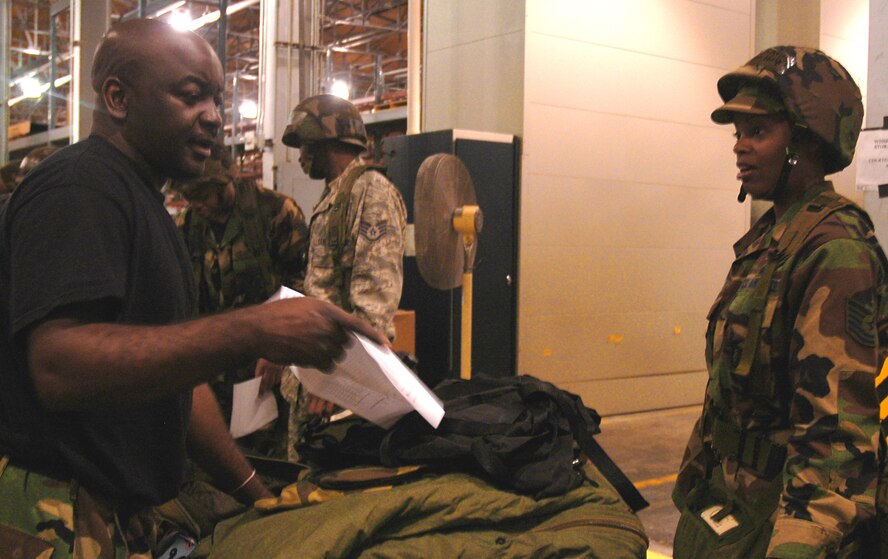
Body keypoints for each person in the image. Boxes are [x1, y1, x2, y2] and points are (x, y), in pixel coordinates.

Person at [0, 19, 385, 558]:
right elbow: (59, 365)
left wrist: (255, 494)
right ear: (117, 97)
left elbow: (177, 383)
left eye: (217, 99)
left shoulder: (144, 205)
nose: (213, 116)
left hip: (122, 512)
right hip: (58, 516)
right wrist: (252, 329)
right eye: (190, 96)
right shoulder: (79, 190)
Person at [672, 46, 886, 559]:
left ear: (806, 141)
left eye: (759, 132)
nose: (740, 148)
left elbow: (835, 439)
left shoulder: (836, 252)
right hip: (732, 510)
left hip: (783, 523)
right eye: (738, 134)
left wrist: (798, 545)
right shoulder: (772, 242)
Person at [279, 94, 407, 459]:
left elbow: (374, 303)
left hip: (340, 385)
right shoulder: (337, 196)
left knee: (329, 488)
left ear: (326, 141)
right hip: (316, 374)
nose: (300, 154)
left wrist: (336, 379)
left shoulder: (371, 194)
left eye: (304, 144)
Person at [172, 143, 309, 457]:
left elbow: (302, 282)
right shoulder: (187, 225)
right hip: (212, 364)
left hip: (265, 367)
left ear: (225, 185)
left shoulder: (278, 211)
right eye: (189, 198)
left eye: (202, 196)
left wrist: (279, 348)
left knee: (268, 458)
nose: (196, 205)